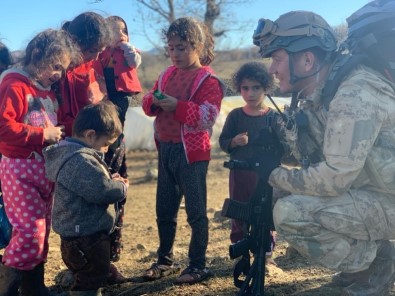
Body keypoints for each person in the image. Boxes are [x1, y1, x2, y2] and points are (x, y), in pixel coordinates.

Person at [252, 8, 395, 296]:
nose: (272, 70)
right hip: (376, 192)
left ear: (307, 59)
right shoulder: (322, 95)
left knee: (292, 211)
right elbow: (315, 156)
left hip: (387, 199)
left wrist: (275, 175)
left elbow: (335, 177)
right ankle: (369, 262)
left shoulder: (354, 93)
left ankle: (377, 263)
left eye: (277, 59)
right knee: (286, 195)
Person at [141, 17, 225, 285]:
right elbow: (147, 100)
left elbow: (207, 116)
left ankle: (198, 264)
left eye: (181, 47)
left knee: (196, 212)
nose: (175, 53)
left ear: (198, 46)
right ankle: (165, 260)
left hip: (192, 155)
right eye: (171, 47)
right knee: (164, 210)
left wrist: (177, 106)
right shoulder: (166, 74)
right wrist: (153, 102)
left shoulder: (208, 81)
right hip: (165, 151)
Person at [0, 29, 81, 296]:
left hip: (43, 169)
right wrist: (41, 135)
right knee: (29, 232)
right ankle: (8, 288)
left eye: (63, 68)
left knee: (41, 230)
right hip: (20, 167)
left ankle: (34, 288)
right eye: (56, 66)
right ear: (37, 55)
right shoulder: (15, 84)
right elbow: (3, 126)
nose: (59, 74)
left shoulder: (45, 89)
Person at [42, 101, 129, 296]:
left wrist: (108, 179)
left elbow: (93, 184)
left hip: (77, 234)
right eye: (105, 144)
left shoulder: (72, 155)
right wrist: (121, 187)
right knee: (91, 277)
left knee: (88, 276)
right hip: (86, 236)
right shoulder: (80, 160)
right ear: (90, 135)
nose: (106, 149)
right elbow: (100, 191)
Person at [218, 61, 277, 259]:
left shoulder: (273, 117)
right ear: (239, 88)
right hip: (240, 173)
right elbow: (223, 141)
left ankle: (266, 254)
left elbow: (282, 147)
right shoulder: (235, 115)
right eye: (245, 88)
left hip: (265, 176)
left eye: (256, 88)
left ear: (266, 88)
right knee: (239, 213)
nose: (250, 93)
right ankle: (241, 253)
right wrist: (234, 142)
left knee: (266, 213)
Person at [100, 15, 143, 179]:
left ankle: (115, 141)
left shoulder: (128, 50)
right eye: (114, 30)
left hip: (122, 91)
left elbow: (134, 63)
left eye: (123, 30)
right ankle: (108, 144)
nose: (120, 34)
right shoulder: (102, 51)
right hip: (106, 89)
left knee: (118, 120)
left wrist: (127, 47)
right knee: (106, 118)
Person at [57, 11, 110, 137]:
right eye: (92, 51)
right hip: (60, 137)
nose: (96, 57)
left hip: (87, 136)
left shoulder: (91, 67)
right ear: (75, 42)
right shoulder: (56, 67)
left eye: (100, 52)